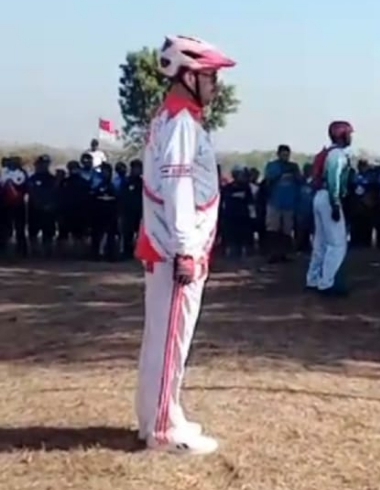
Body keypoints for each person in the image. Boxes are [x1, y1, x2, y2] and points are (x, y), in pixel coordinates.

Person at [134, 34, 236, 455]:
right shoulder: (180, 123)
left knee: (162, 336)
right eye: (211, 76)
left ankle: (160, 414)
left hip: (168, 244)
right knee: (170, 338)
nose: (216, 85)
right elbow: (178, 188)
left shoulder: (173, 118)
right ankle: (162, 430)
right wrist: (187, 250)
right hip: (176, 249)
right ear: (189, 76)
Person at [306, 121, 353, 296]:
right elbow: (334, 179)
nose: (350, 138)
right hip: (329, 197)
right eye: (348, 134)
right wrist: (335, 203)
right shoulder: (338, 155)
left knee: (320, 242)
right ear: (341, 135)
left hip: (319, 196)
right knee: (337, 243)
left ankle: (312, 279)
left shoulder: (325, 153)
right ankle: (327, 283)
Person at [263, 145, 300, 262]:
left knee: (287, 230)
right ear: (278, 154)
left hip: (289, 203)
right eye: (283, 154)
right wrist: (281, 172)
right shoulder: (272, 166)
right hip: (275, 202)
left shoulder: (294, 167)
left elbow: (300, 181)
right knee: (273, 229)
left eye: (287, 154)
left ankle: (285, 254)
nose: (285, 157)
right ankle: (272, 254)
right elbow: (268, 180)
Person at [26, 154, 57, 256]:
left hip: (48, 209)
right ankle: (34, 252)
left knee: (48, 232)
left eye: (46, 164)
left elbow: (55, 193)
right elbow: (30, 192)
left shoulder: (52, 179)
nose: (43, 166)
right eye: (41, 164)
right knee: (33, 231)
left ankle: (48, 252)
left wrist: (49, 204)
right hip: (35, 209)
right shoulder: (32, 178)